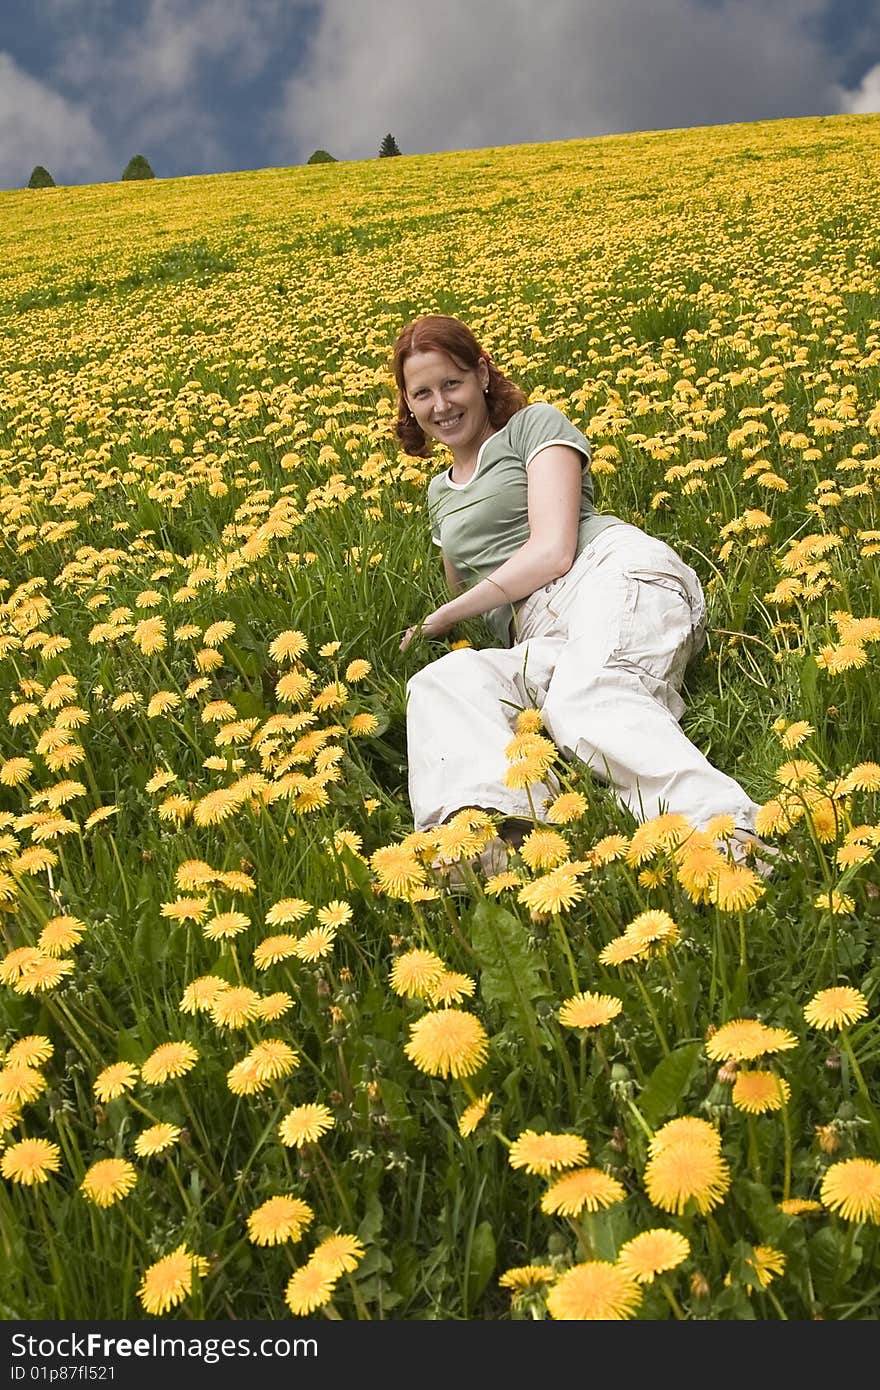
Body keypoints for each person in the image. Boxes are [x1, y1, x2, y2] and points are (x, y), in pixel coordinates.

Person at [392, 314, 766, 869]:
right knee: (441, 682)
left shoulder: (532, 427)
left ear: (482, 376)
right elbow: (467, 573)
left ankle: (734, 844)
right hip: (537, 629)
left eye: (452, 383)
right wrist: (449, 617)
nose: (440, 405)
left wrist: (441, 617)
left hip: (605, 574)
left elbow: (552, 551)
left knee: (588, 698)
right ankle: (490, 836)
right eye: (422, 393)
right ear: (408, 404)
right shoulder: (436, 493)